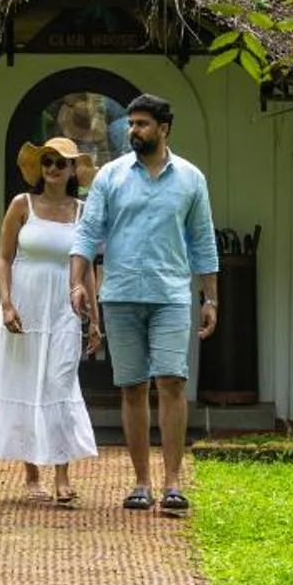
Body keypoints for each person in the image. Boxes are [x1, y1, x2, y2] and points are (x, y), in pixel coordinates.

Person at [69, 94, 217, 517]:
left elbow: (203, 242)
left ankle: (172, 483)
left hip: (170, 295)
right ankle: (140, 482)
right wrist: (77, 282)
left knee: (171, 382)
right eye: (131, 124)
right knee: (132, 387)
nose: (133, 131)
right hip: (120, 295)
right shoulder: (111, 177)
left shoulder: (191, 179)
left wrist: (211, 297)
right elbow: (88, 233)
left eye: (142, 124)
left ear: (164, 128)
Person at [0, 136, 100, 504]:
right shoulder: (21, 204)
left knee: (60, 381)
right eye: (48, 162)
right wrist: (7, 304)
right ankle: (31, 473)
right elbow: (3, 257)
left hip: (64, 306)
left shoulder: (82, 211)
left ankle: (62, 473)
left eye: (61, 163)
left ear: (73, 169)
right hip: (25, 304)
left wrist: (95, 318)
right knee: (26, 380)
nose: (54, 169)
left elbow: (87, 266)